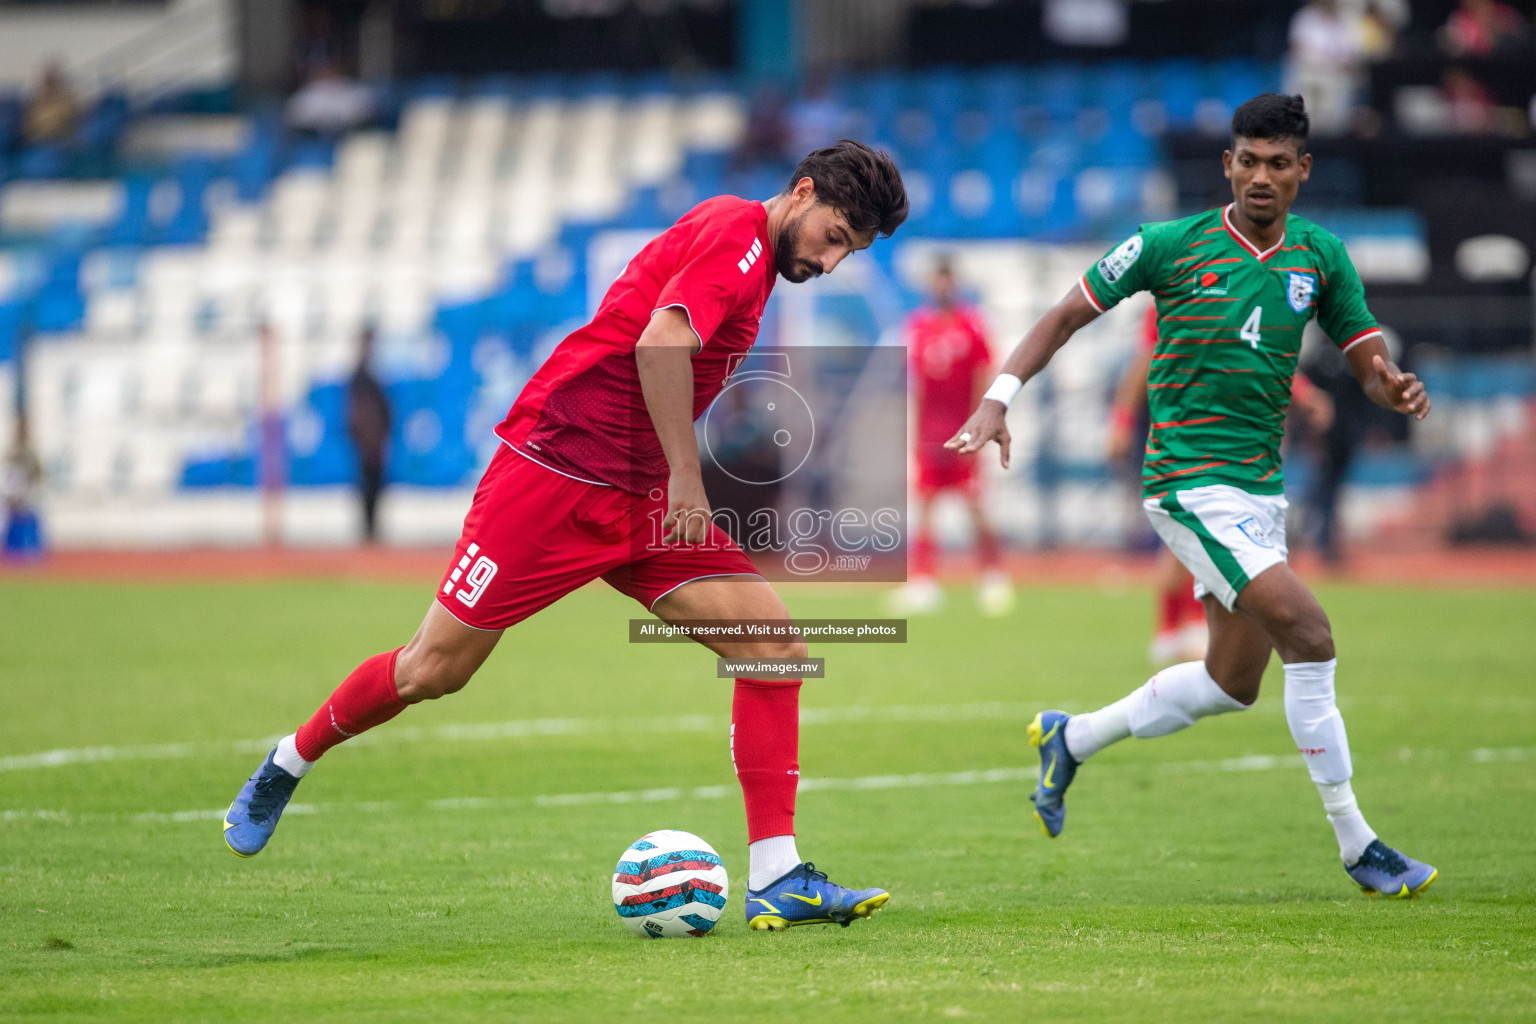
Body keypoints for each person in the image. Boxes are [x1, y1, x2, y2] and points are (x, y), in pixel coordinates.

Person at [223, 141, 910, 931]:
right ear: (802, 191)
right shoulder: (737, 233)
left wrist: (670, 478)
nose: (831, 261)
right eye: (835, 236)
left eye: (849, 252)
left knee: (774, 646)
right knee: (432, 671)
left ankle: (778, 874)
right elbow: (660, 344)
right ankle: (291, 758)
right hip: (552, 477)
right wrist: (690, 480)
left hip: (636, 496)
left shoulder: (754, 261)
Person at [949, 94, 1438, 898]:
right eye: (1248, 160)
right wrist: (999, 397)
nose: (1261, 176)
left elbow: (1366, 358)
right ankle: (1360, 845)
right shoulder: (1169, 245)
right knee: (1310, 636)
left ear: (1302, 171)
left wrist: (1391, 389)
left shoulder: (1321, 257)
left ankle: (1071, 739)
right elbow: (1065, 314)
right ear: (1227, 165)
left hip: (1259, 492)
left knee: (1229, 685)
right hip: (1186, 483)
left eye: (1279, 163)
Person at [1110, 305, 1333, 664]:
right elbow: (1144, 362)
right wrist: (1120, 422)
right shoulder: (1177, 290)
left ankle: (1173, 631)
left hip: (1230, 433)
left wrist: (1303, 395)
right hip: (1188, 432)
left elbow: (1260, 354)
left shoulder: (1241, 288)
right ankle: (1188, 628)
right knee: (1199, 528)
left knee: (1192, 534)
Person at [892, 257, 1011, 616]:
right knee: (926, 504)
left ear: (955, 283)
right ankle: (924, 582)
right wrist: (914, 430)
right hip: (930, 432)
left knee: (975, 504)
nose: (941, 287)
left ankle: (993, 577)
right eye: (936, 281)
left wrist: (980, 421)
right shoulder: (917, 327)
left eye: (946, 280)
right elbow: (915, 384)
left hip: (965, 429)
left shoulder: (973, 325)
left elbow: (983, 373)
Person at [347, 327, 391, 544]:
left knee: (374, 486)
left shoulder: (369, 376)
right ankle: (368, 530)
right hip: (368, 443)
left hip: (374, 442)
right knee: (368, 487)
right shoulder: (361, 377)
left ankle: (371, 529)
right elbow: (359, 413)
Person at [2, 413, 44, 561]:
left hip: (28, 493)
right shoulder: (12, 452)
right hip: (11, 494)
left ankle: (33, 550)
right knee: (7, 520)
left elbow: (38, 473)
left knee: (33, 518)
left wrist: (29, 489)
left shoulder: (30, 452)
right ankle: (9, 550)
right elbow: (8, 474)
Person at [22, 61, 81, 146]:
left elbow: (71, 120)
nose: (49, 84)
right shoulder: (36, 101)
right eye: (47, 81)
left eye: (52, 80)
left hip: (59, 140)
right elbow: (29, 124)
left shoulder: (67, 100)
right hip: (38, 140)